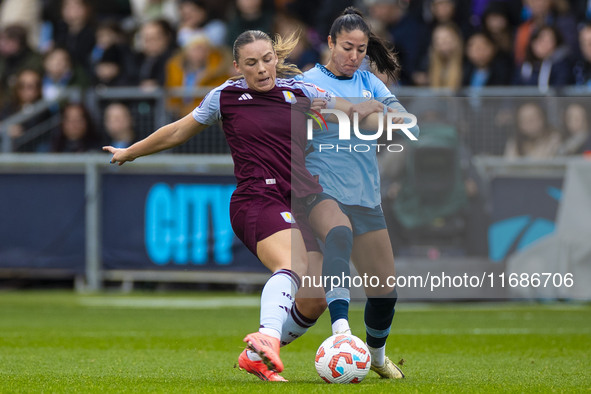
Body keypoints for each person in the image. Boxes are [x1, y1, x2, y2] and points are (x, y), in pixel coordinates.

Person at [103, 29, 366, 382]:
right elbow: (179, 131)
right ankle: (267, 338)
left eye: (267, 59)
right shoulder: (225, 96)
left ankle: (255, 356)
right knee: (291, 262)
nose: (262, 69)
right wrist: (129, 151)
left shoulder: (301, 91)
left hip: (300, 202)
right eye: (252, 63)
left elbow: (348, 111)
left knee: (314, 299)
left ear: (276, 58)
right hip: (256, 200)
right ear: (237, 66)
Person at [294, 7, 419, 380]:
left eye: (361, 50)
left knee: (384, 291)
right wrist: (358, 112)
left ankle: (377, 358)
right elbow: (298, 119)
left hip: (364, 193)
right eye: (347, 47)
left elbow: (403, 123)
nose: (354, 56)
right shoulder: (306, 81)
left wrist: (367, 113)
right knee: (338, 234)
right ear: (330, 43)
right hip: (321, 186)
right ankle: (341, 333)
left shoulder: (371, 83)